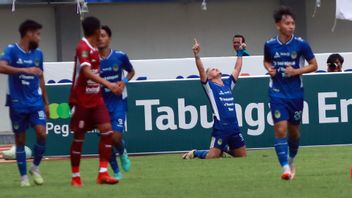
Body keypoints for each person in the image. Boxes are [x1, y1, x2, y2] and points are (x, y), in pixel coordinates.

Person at [263, 7, 317, 180]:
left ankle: (291, 160)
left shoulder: (301, 44)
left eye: (293, 23)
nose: (291, 26)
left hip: (295, 94)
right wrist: (269, 69)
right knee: (280, 129)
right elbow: (266, 61)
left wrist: (296, 71)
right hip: (277, 92)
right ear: (278, 25)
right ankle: (285, 168)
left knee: (294, 132)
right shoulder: (270, 44)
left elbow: (314, 65)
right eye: (287, 23)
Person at [68, 16, 120, 187]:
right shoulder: (82, 47)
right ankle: (75, 176)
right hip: (82, 100)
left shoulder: (95, 48)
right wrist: (109, 85)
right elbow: (86, 72)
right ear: (96, 31)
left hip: (96, 99)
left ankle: (103, 173)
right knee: (79, 137)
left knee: (107, 131)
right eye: (100, 30)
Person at [0, 20, 49, 187]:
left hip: (35, 101)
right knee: (20, 139)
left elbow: (40, 76)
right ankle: (23, 178)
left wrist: (46, 103)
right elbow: (1, 67)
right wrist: (24, 70)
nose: (39, 38)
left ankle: (35, 167)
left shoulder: (38, 54)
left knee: (42, 133)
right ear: (29, 33)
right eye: (37, 34)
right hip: (17, 102)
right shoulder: (12, 50)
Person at [182, 39, 246, 160]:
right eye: (212, 69)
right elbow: (201, 70)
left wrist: (240, 53)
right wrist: (197, 55)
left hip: (234, 126)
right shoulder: (210, 87)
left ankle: (224, 149)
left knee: (242, 156)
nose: (215, 68)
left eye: (216, 68)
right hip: (221, 127)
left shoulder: (228, 84)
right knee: (212, 157)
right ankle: (195, 153)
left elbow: (237, 69)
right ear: (209, 76)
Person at [98, 25, 135, 180]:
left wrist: (124, 81)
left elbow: (131, 71)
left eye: (103, 35)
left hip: (118, 101)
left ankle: (123, 152)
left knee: (115, 137)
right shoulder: (92, 60)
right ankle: (116, 172)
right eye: (97, 36)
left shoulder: (120, 56)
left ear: (109, 38)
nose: (100, 38)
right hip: (100, 104)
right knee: (106, 139)